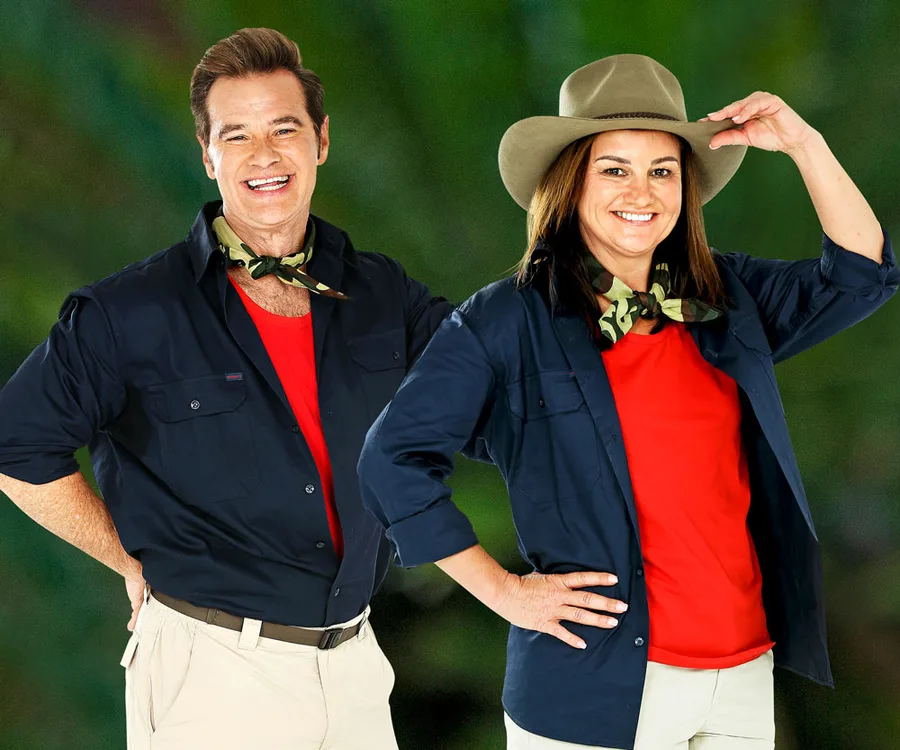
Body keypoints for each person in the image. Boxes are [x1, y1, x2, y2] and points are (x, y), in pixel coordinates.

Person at [358, 54, 897, 749]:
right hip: (593, 687)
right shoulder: (506, 319)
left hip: (741, 676)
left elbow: (860, 275)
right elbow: (391, 458)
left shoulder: (727, 298)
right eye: (614, 169)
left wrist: (804, 144)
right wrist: (503, 592)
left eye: (663, 171)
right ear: (570, 180)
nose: (642, 192)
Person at [0, 27, 451, 750]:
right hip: (211, 672)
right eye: (236, 135)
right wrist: (128, 559)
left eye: (284, 129)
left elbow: (490, 376)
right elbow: (17, 447)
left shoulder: (381, 293)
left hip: (357, 667)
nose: (263, 155)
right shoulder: (131, 311)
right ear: (207, 155)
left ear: (321, 141)